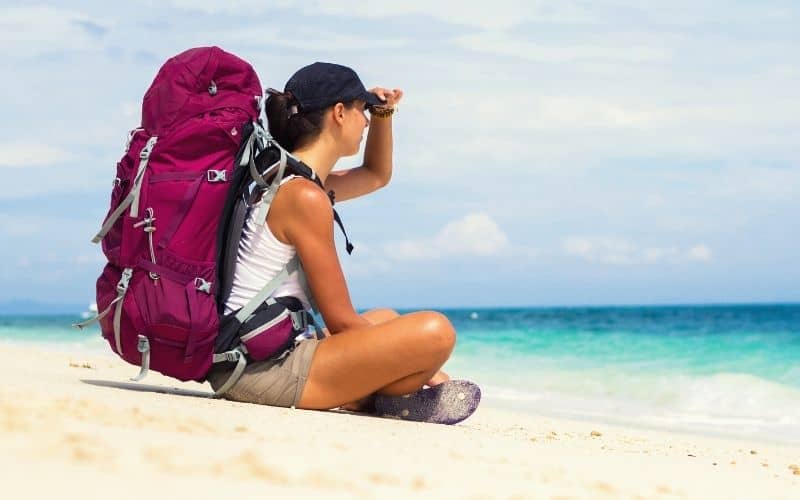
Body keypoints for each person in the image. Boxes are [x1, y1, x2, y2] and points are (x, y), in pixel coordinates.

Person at [208, 62, 479, 424]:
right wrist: (425, 365)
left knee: (386, 318)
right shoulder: (304, 197)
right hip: (263, 370)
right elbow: (342, 322)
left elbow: (375, 175)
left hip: (251, 352)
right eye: (363, 110)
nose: (366, 121)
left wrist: (385, 114)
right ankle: (375, 398)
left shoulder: (285, 179)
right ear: (339, 113)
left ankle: (368, 392)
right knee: (435, 332)